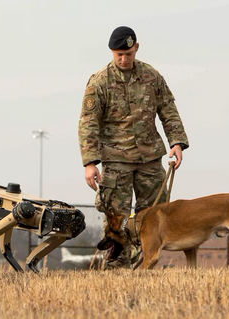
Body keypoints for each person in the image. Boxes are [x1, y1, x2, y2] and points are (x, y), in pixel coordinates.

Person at [78, 26, 189, 269]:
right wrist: (90, 162)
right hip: (116, 160)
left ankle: (145, 262)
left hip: (150, 158)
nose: (124, 58)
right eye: (119, 54)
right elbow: (88, 123)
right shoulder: (99, 82)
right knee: (116, 216)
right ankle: (118, 265)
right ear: (111, 52)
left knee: (154, 215)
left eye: (128, 53)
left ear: (136, 48)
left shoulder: (152, 76)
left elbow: (168, 110)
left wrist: (177, 142)